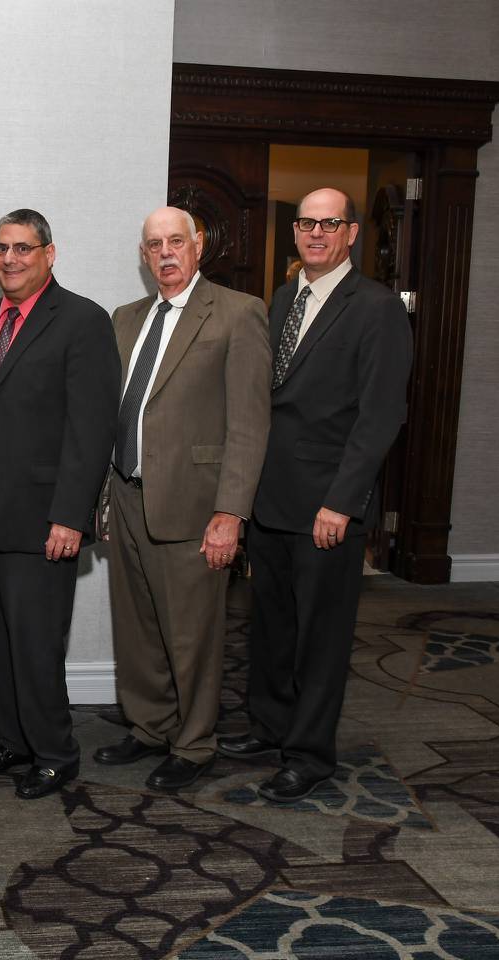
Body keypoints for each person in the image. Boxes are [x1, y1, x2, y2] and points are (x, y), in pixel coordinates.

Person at [219, 188, 412, 802]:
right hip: (271, 496)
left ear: (352, 233)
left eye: (330, 224)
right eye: (307, 223)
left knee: (320, 638)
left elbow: (380, 417)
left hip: (327, 504)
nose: (317, 233)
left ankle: (308, 754)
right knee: (271, 624)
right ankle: (270, 726)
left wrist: (343, 501)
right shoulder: (282, 299)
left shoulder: (377, 308)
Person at [95, 206, 271, 791]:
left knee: (192, 633)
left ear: (199, 246)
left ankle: (194, 744)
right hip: (126, 494)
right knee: (137, 625)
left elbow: (249, 424)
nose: (165, 253)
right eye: (153, 245)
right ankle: (149, 728)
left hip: (197, 505)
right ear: (143, 256)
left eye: (176, 241)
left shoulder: (238, 314)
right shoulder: (126, 319)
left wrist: (230, 513)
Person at [0, 209, 120, 800]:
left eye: (23, 248)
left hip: (43, 515)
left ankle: (55, 752)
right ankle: (14, 740)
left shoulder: (81, 321)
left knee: (36, 641)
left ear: (49, 254)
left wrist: (70, 516)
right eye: (2, 248)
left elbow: (92, 428)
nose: (10, 259)